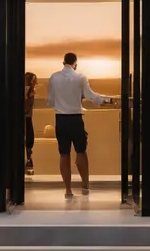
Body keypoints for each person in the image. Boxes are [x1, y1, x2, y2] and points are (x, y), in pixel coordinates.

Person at [47, 52, 114, 200]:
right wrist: (108, 100)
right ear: (75, 63)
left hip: (61, 119)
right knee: (81, 151)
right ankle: (85, 185)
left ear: (63, 62)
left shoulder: (53, 77)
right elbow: (92, 97)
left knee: (64, 154)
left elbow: (50, 101)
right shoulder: (81, 77)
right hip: (76, 119)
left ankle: (68, 190)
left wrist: (62, 104)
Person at [25, 72, 37, 175]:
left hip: (27, 119)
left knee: (29, 140)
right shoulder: (29, 91)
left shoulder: (30, 91)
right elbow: (27, 107)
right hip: (26, 119)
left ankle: (28, 158)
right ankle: (28, 159)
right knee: (28, 140)